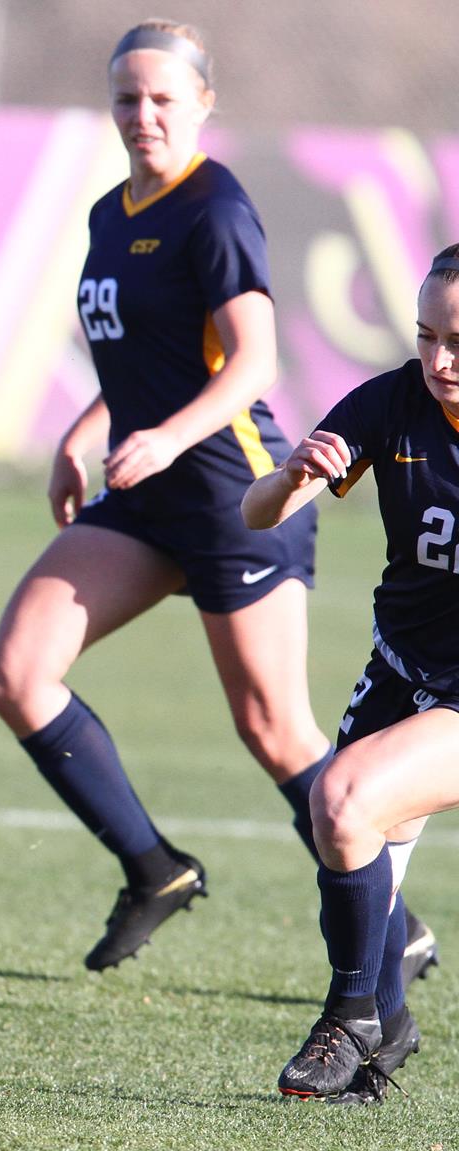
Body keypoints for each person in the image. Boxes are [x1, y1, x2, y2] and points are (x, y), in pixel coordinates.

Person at [0, 19, 437, 977]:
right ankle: (153, 868)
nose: (143, 115)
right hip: (145, 493)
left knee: (275, 729)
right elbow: (151, 357)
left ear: (202, 103)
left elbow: (255, 359)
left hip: (234, 489)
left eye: (162, 98)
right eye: (126, 99)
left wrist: (166, 434)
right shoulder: (111, 213)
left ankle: (394, 934)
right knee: (19, 672)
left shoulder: (215, 208)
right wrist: (84, 432)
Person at [241, 245, 459, 1102]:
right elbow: (259, 513)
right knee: (356, 851)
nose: (441, 360)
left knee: (341, 800)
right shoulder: (395, 400)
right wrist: (295, 471)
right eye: (427, 336)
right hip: (401, 670)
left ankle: (352, 1017)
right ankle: (389, 1025)